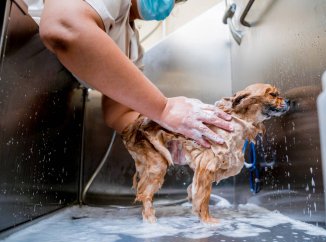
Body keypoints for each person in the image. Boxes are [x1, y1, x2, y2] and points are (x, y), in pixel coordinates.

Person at [24, 0, 233, 148]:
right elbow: (63, 27)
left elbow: (119, 113)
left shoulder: (130, 46)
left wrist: (165, 137)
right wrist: (164, 109)